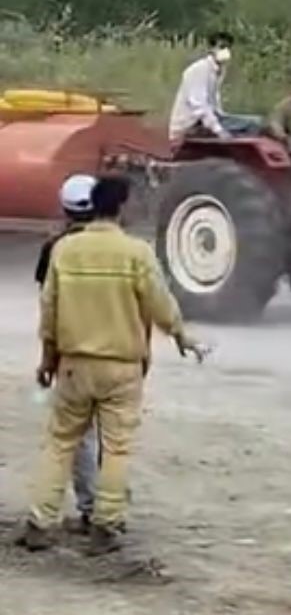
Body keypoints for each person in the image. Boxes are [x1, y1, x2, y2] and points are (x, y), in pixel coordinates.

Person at [19, 173, 207, 556]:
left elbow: (49, 311)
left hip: (73, 366)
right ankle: (105, 526)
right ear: (121, 207)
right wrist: (181, 337)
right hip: (122, 368)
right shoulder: (136, 252)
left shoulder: (64, 251)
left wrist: (47, 360)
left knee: (60, 444)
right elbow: (160, 302)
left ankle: (40, 523)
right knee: (116, 448)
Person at [34, 173, 101, 531]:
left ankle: (89, 509)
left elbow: (49, 310)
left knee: (74, 436)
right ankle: (111, 507)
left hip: (75, 356)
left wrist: (48, 359)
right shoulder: (126, 247)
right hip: (121, 357)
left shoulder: (55, 249)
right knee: (115, 436)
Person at [169, 31, 235, 143]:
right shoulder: (199, 70)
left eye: (228, 47)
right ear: (211, 49)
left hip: (203, 121)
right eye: (221, 47)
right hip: (190, 124)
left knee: (255, 123)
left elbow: (214, 103)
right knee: (253, 125)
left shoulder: (217, 71)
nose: (225, 51)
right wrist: (219, 130)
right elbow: (199, 105)